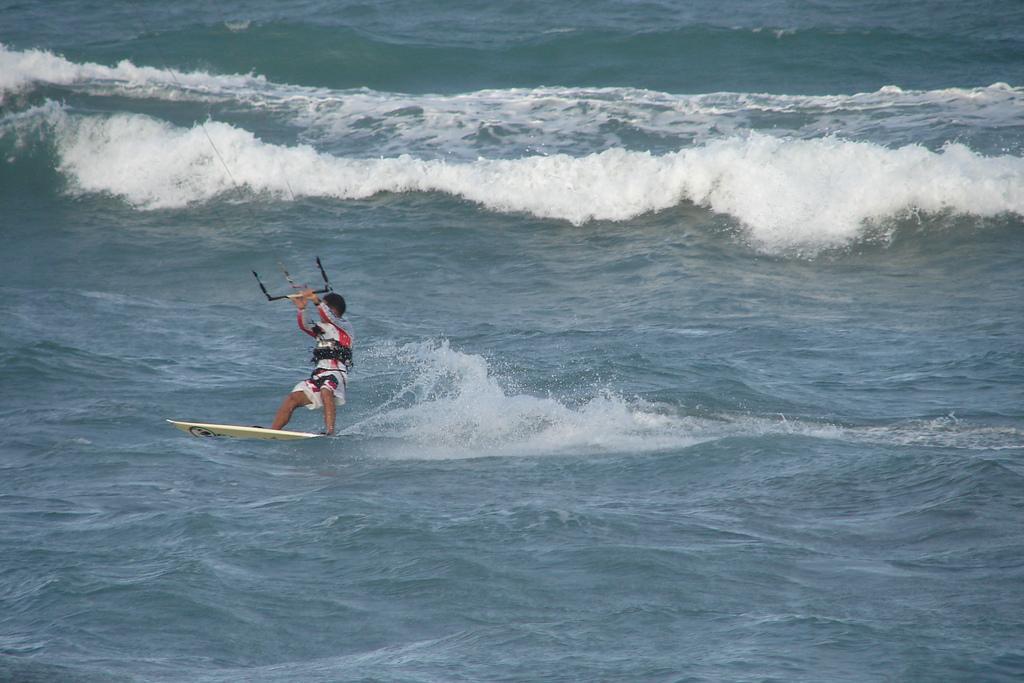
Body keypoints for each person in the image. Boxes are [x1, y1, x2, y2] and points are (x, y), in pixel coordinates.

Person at [270, 288, 353, 435]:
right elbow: (305, 325)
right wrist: (302, 309)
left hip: (336, 373)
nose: (320, 309)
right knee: (292, 398)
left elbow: (330, 317)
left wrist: (315, 299)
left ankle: (330, 432)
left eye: (324, 305)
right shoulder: (321, 329)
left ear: (332, 309)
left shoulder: (344, 326)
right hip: (318, 375)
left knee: (326, 391)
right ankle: (273, 432)